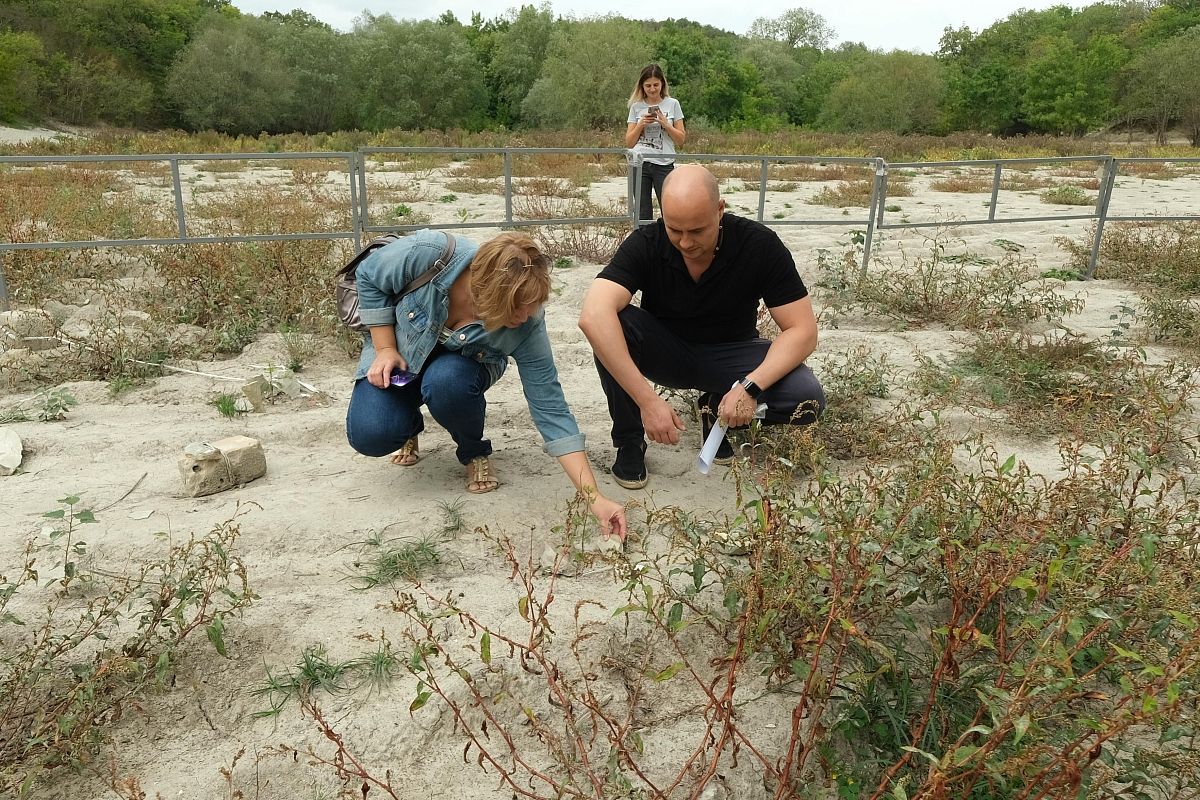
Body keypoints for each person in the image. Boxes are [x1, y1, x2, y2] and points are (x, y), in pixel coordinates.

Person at [346, 229, 626, 539]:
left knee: (447, 383)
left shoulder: (528, 322)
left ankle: (472, 450)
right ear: (483, 292)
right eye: (515, 309)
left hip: (457, 372)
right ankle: (409, 427)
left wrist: (594, 497)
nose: (525, 317)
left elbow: (551, 409)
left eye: (530, 306)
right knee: (371, 435)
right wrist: (385, 348)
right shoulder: (429, 252)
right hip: (401, 355)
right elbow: (369, 276)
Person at [578, 165, 826, 489]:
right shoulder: (647, 242)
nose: (685, 242)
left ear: (720, 209)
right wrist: (648, 402)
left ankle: (715, 410)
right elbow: (592, 316)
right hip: (667, 352)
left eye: (697, 230)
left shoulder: (759, 245)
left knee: (806, 398)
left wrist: (750, 387)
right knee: (611, 326)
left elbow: (803, 330)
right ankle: (629, 441)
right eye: (674, 229)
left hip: (732, 356)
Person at [626, 64, 685, 225]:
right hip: (640, 163)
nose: (652, 89)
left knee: (670, 209)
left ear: (662, 84)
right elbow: (629, 142)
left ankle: (669, 245)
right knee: (642, 212)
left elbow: (681, 140)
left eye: (656, 85)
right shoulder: (636, 106)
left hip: (664, 163)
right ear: (642, 87)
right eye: (648, 86)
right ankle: (645, 247)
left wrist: (666, 124)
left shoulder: (673, 104)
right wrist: (640, 124)